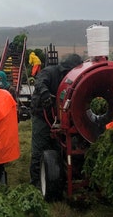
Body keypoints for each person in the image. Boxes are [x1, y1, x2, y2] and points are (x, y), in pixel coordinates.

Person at [29, 54, 83, 188]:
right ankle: (36, 182)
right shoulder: (50, 72)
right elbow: (40, 81)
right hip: (42, 115)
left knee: (58, 146)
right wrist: (45, 94)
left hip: (60, 117)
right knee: (39, 147)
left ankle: (57, 177)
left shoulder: (74, 79)